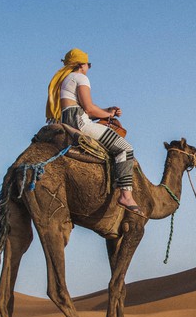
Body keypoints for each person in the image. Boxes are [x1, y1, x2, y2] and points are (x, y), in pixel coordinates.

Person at [46, 48, 143, 216]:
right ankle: (126, 195)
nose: (89, 67)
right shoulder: (81, 77)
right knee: (125, 148)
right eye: (88, 64)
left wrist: (107, 110)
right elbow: (89, 110)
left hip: (68, 121)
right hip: (81, 123)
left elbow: (84, 106)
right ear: (81, 64)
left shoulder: (66, 79)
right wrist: (108, 114)